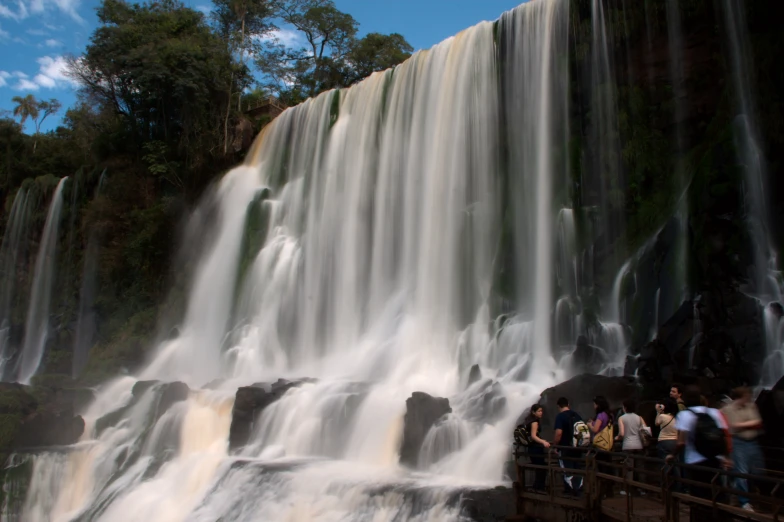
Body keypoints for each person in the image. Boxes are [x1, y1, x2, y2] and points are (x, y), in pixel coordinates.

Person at [667, 385, 731, 508]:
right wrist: (727, 456)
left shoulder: (684, 415)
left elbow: (681, 442)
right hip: (716, 459)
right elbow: (724, 436)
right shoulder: (715, 412)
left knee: (699, 496)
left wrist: (672, 455)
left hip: (695, 460)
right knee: (717, 493)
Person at [721, 387, 764, 512]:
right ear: (740, 397)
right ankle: (744, 501)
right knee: (742, 471)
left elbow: (758, 421)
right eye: (746, 396)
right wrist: (750, 423)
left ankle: (740, 490)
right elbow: (733, 426)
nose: (749, 398)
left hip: (753, 441)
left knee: (756, 470)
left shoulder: (751, 406)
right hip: (738, 442)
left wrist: (742, 425)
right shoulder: (728, 409)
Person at [616, 399, 649, 495]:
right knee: (640, 468)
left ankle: (627, 490)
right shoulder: (639, 418)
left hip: (627, 445)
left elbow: (621, 433)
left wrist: (617, 437)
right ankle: (642, 489)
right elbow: (646, 431)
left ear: (625, 407)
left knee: (628, 468)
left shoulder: (621, 418)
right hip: (639, 445)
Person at [553, 397, 583, 496]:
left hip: (565, 448)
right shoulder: (577, 415)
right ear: (568, 404)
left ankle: (571, 491)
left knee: (566, 470)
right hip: (578, 447)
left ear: (558, 406)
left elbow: (558, 433)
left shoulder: (560, 417)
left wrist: (555, 445)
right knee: (577, 469)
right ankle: (579, 489)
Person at [587, 395, 614, 497]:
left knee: (601, 469)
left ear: (598, 405)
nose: (593, 406)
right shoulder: (610, 415)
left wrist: (590, 425)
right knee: (608, 468)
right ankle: (609, 491)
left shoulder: (600, 415)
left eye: (594, 404)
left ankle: (602, 492)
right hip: (608, 444)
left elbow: (595, 429)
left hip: (600, 445)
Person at [524, 404, 550, 492]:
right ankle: (539, 487)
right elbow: (533, 436)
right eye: (539, 411)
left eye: (541, 411)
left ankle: (538, 487)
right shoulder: (534, 421)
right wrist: (543, 442)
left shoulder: (529, 420)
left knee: (539, 468)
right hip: (535, 448)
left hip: (531, 448)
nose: (541, 413)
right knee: (541, 468)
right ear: (533, 412)